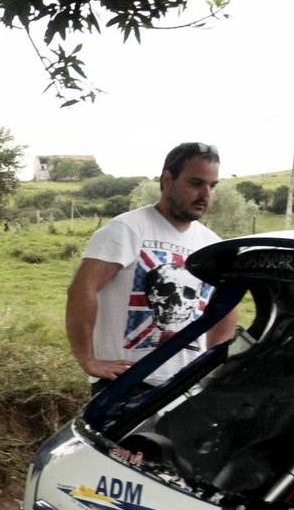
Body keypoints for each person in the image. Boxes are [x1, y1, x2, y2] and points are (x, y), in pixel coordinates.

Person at [65, 142, 238, 394]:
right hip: (125, 385)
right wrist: (88, 360)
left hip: (185, 389)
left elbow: (225, 309)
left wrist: (211, 368)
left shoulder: (212, 244)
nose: (205, 194)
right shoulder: (126, 229)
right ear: (167, 179)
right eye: (195, 183)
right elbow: (82, 290)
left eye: (212, 186)